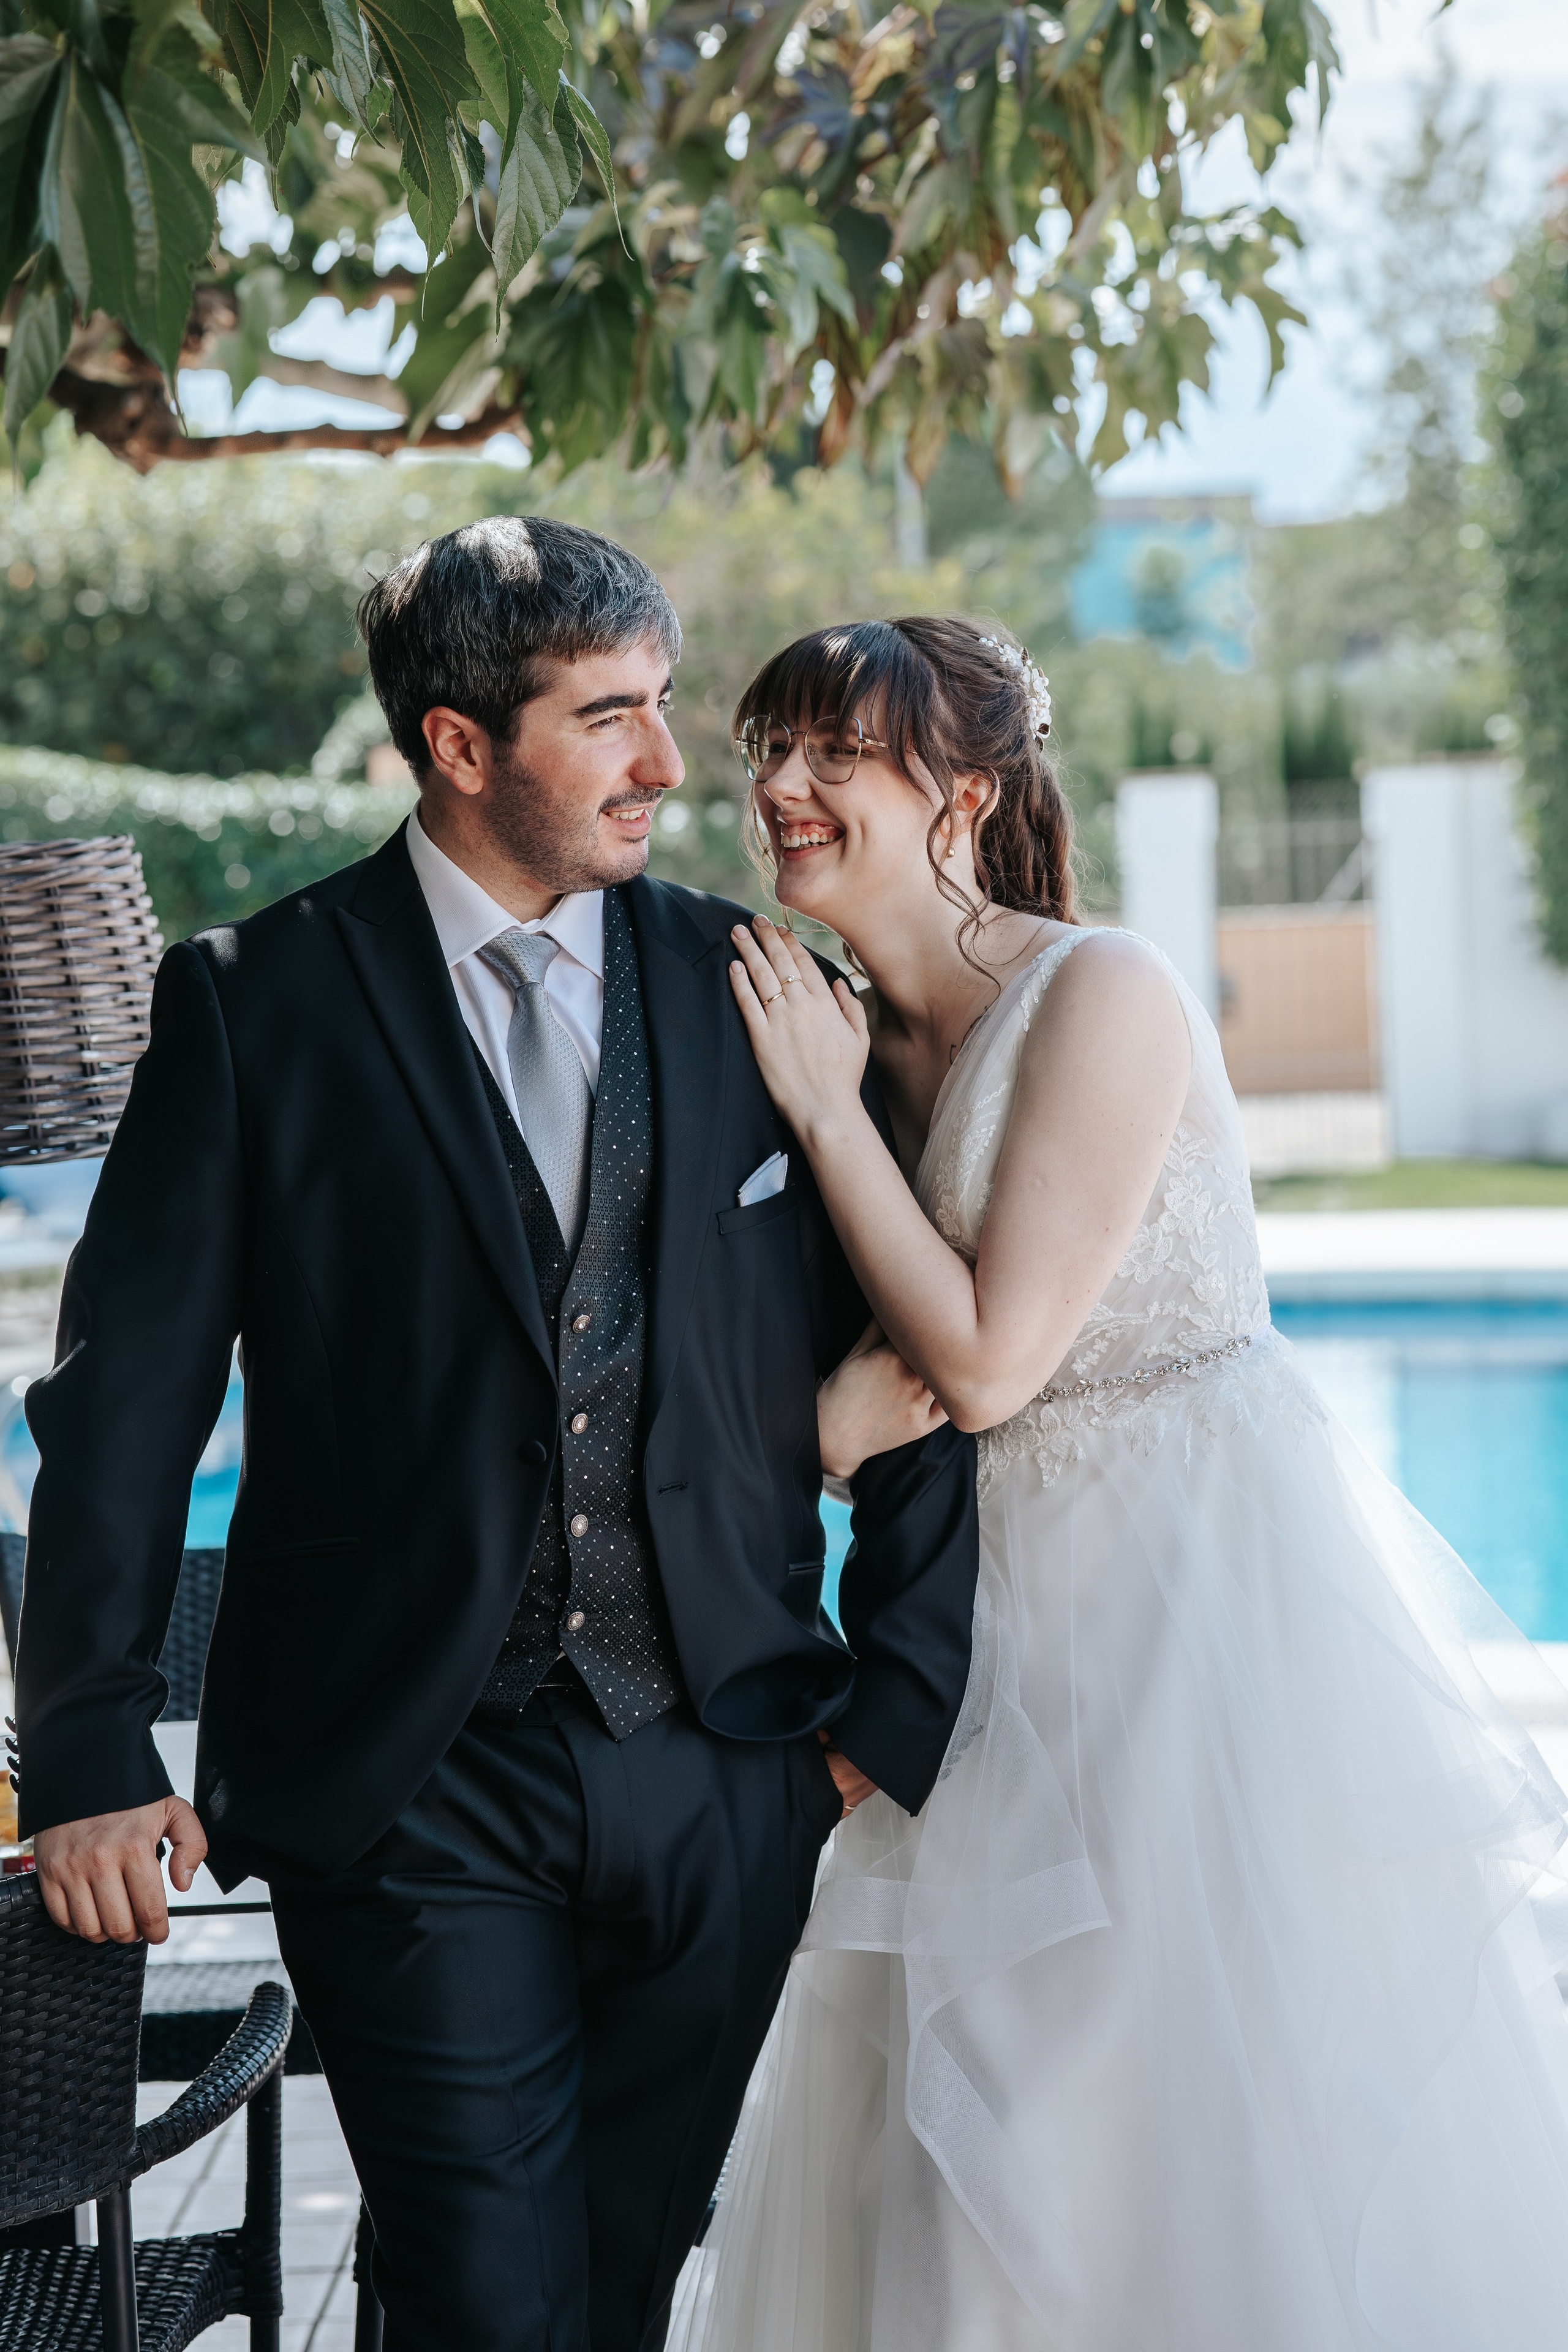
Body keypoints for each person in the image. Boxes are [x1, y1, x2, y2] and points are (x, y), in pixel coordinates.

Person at [9, 524, 981, 2352]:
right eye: (611, 718)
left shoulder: (747, 988)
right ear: (459, 746)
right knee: (487, 2290)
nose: (672, 767)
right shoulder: (254, 1004)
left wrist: (884, 1714)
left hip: (727, 1763)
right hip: (408, 1777)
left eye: (665, 706)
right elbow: (124, 1401)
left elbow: (917, 1339)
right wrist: (83, 1747)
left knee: (612, 2284)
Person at [670, 615, 1568, 2351]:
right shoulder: (840, 1027)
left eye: (832, 754)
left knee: (1166, 2111)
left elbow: (995, 1359)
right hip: (966, 1641)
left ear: (969, 791)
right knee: (965, 2133)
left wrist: (826, 1109)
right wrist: (824, 1430)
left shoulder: (1105, 995)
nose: (779, 787)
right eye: (767, 750)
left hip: (1184, 1624)